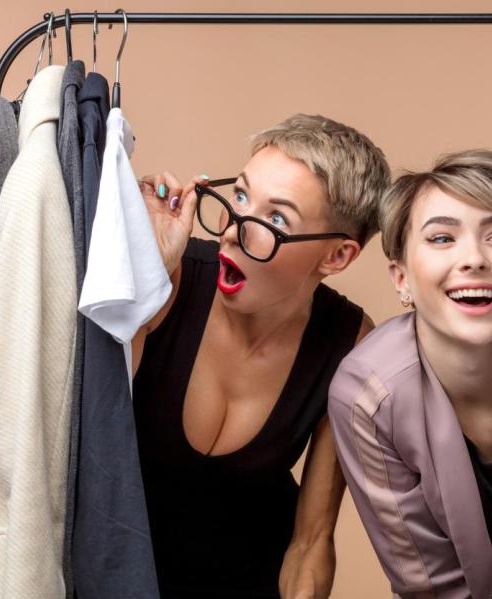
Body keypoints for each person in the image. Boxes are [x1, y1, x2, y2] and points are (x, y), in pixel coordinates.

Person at [131, 114, 390, 598]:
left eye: (276, 219)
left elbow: (311, 542)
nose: (232, 231)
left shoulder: (349, 343)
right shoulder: (167, 280)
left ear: (336, 256)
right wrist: (145, 280)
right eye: (241, 197)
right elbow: (85, 438)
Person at [328, 149, 492, 599]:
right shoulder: (368, 395)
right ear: (401, 278)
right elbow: (426, 583)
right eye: (441, 238)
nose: (474, 258)